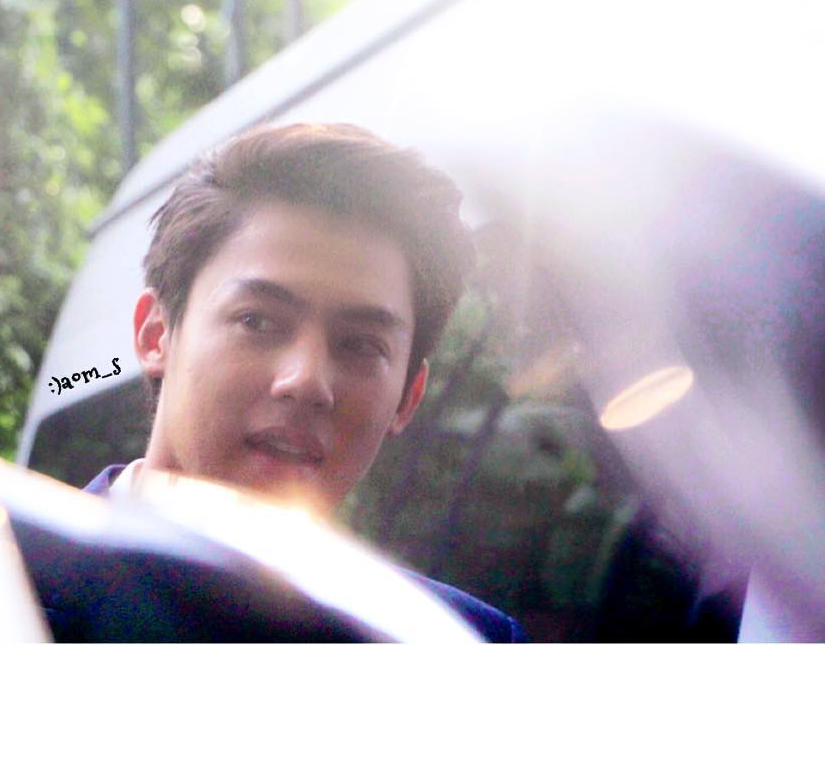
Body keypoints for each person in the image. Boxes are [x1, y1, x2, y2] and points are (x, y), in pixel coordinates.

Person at [85, 122, 526, 642]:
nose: (306, 380)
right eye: (256, 321)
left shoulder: (461, 645)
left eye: (360, 345)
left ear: (408, 397)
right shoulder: (8, 580)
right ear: (156, 335)